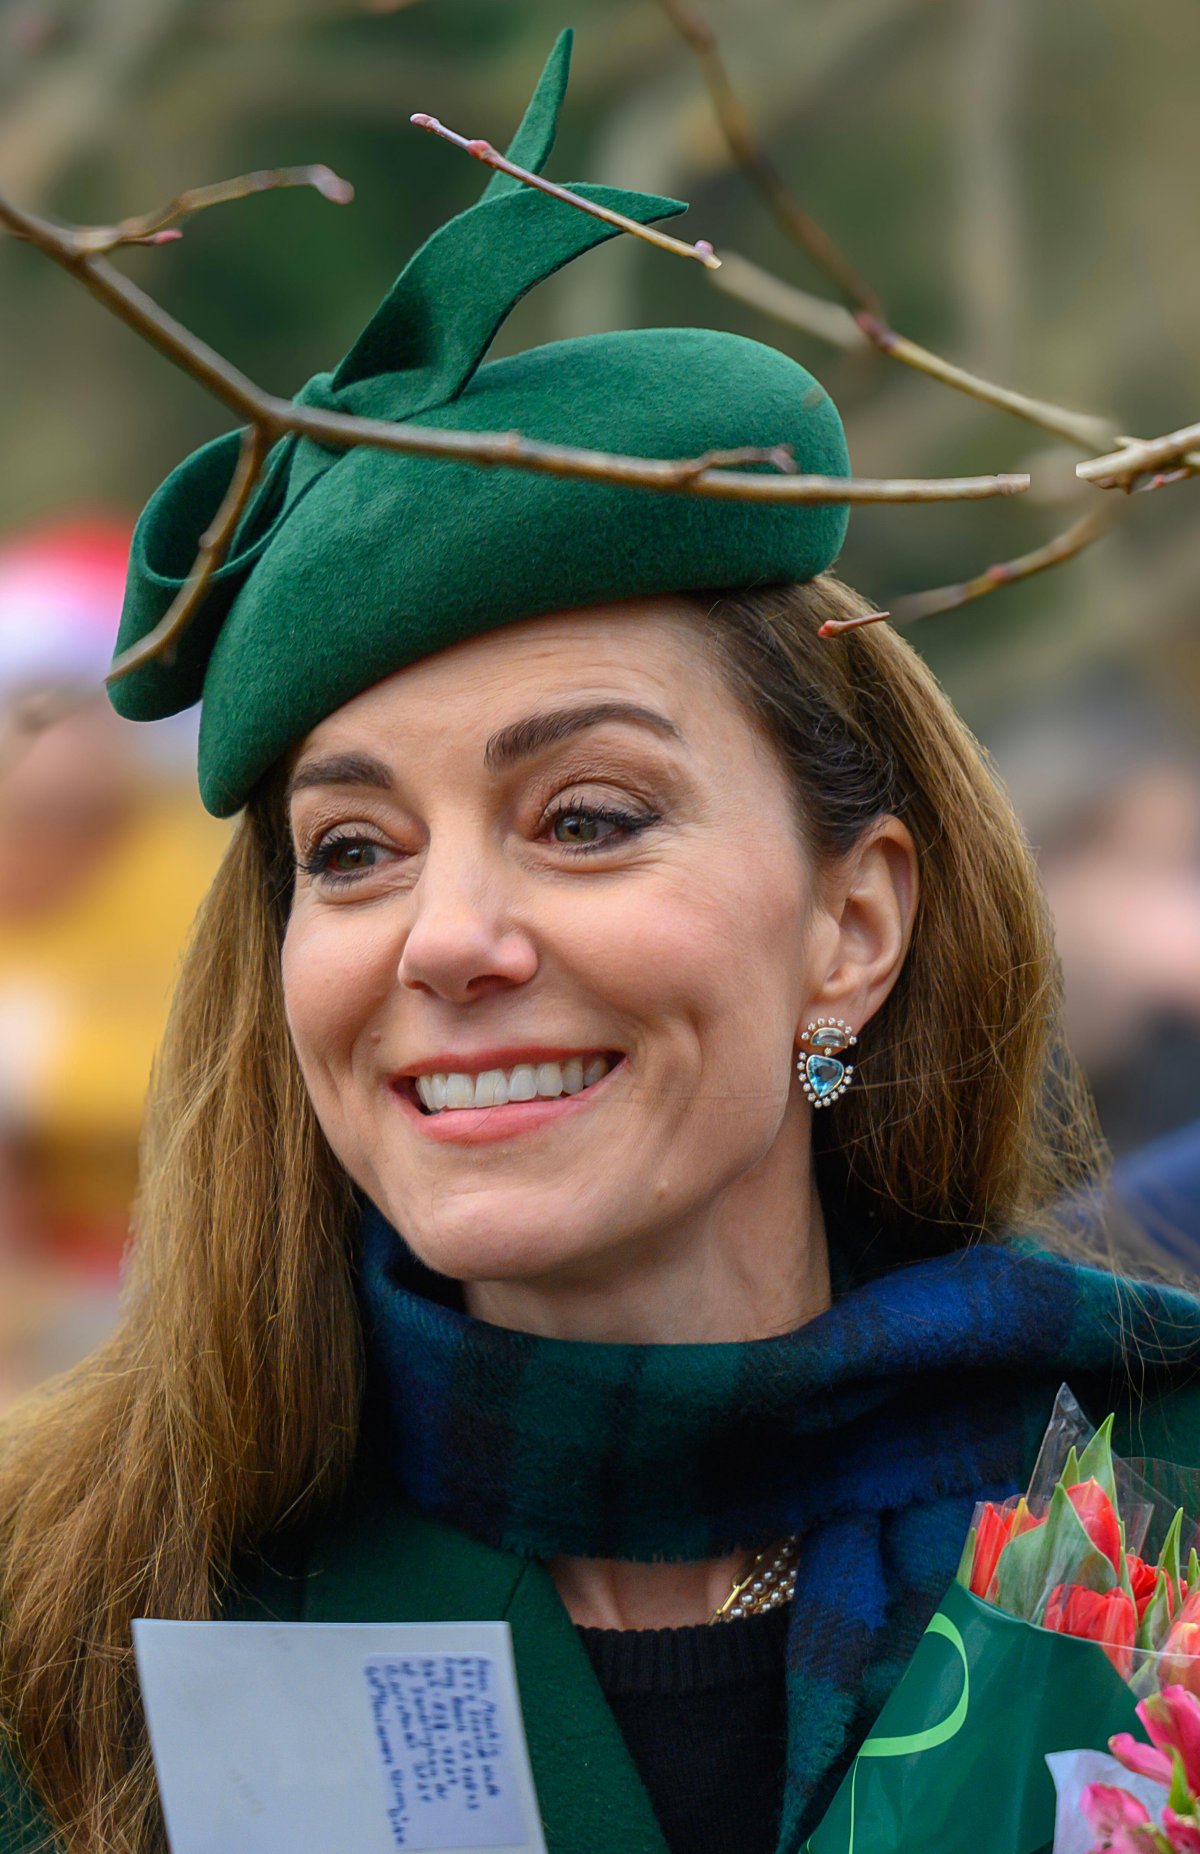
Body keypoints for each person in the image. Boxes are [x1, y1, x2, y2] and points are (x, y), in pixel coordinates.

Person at [3, 34, 1200, 1854]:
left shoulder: (1158, 1515)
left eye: (585, 818)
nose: (450, 939)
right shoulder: (68, 1628)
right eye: (351, 850)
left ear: (852, 924)